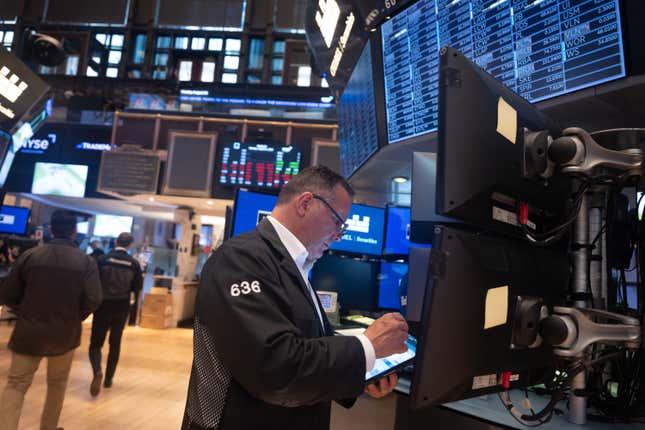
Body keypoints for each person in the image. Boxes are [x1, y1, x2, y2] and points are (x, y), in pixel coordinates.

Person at [182, 166, 409, 430]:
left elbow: (310, 346)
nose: (338, 235)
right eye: (338, 222)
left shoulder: (295, 266)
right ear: (305, 203)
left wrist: (363, 371)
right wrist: (367, 347)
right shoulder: (241, 259)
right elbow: (275, 369)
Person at [0, 210, 103, 430]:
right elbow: (94, 299)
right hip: (65, 334)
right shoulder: (86, 262)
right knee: (57, 385)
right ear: (75, 232)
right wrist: (76, 317)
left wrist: (26, 311)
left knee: (16, 384)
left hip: (28, 332)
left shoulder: (30, 256)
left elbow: (7, 294)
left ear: (50, 229)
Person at [89, 232, 142, 396]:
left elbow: (93, 282)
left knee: (96, 343)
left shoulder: (102, 260)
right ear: (130, 245)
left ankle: (97, 370)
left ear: (116, 242)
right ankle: (108, 380)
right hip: (121, 306)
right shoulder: (133, 264)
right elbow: (137, 288)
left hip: (102, 305)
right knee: (115, 343)